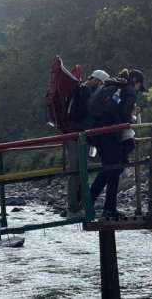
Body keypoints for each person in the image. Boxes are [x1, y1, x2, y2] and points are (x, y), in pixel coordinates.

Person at [89, 69, 146, 218]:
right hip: (109, 134)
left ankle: (90, 202)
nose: (139, 89)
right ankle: (107, 208)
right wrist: (132, 119)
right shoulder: (129, 91)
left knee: (110, 168)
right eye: (140, 85)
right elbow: (124, 116)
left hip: (98, 132)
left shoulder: (112, 87)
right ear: (135, 81)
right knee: (114, 168)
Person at [63, 69, 109, 217]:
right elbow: (84, 114)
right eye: (101, 84)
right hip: (77, 135)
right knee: (76, 171)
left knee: (79, 171)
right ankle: (73, 208)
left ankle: (76, 206)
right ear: (96, 80)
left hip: (75, 135)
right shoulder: (85, 91)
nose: (101, 87)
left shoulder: (81, 89)